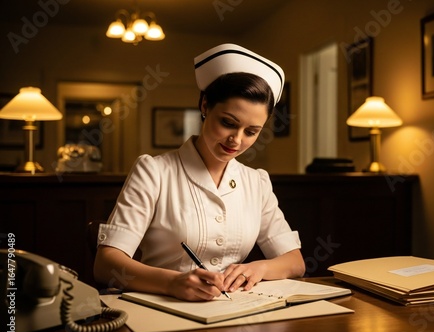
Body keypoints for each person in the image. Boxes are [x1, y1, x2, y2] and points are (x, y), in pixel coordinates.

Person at [94, 43, 305, 301]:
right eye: (228, 123)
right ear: (205, 106)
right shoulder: (154, 171)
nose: (236, 141)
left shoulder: (256, 181)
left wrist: (258, 268)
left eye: (251, 132)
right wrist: (172, 283)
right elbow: (106, 264)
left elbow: (295, 262)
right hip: (163, 312)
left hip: (234, 312)